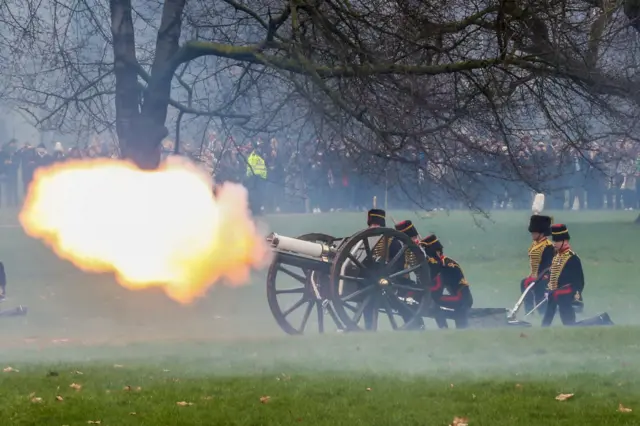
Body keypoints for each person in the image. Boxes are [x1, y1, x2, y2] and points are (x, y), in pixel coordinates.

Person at [420, 234, 473, 329]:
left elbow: (437, 287)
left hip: (462, 299)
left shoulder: (447, 266)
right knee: (435, 300)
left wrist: (425, 293)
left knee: (435, 300)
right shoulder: (441, 264)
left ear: (437, 252)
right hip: (457, 296)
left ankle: (443, 328)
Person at [540, 224, 585, 327]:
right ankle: (545, 326)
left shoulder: (573, 258)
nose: (554, 244)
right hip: (556, 290)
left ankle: (569, 324)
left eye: (557, 241)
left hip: (570, 290)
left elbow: (579, 280)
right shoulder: (556, 257)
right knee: (553, 295)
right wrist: (548, 288)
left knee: (557, 295)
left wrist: (576, 294)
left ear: (565, 241)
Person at [520, 214, 554, 315]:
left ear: (542, 233)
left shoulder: (548, 246)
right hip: (535, 275)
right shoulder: (535, 244)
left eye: (535, 233)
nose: (532, 235)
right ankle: (529, 311)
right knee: (523, 283)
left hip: (545, 276)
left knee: (540, 289)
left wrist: (540, 277)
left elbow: (548, 266)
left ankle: (543, 312)